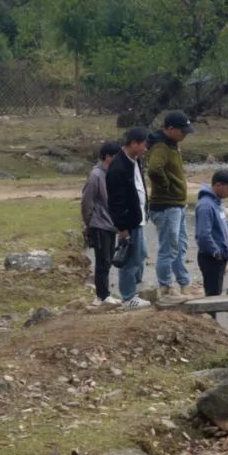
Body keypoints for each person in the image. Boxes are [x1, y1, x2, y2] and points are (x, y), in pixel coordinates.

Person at [147, 110, 194, 304]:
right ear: (170, 129)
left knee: (181, 246)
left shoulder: (173, 145)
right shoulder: (161, 147)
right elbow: (154, 169)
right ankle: (165, 288)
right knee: (168, 249)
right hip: (166, 206)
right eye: (182, 130)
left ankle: (184, 284)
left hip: (176, 205)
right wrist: (166, 187)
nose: (185, 134)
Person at [107, 126, 151, 310]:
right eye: (143, 145)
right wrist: (122, 228)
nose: (145, 149)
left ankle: (134, 291)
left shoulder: (135, 161)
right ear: (134, 143)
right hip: (129, 222)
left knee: (140, 255)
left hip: (138, 218)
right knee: (130, 259)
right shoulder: (118, 167)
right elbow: (115, 202)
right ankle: (128, 297)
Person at [81, 141, 121, 307]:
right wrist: (90, 222)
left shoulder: (112, 173)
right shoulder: (96, 175)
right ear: (107, 157)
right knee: (102, 260)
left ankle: (104, 294)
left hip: (111, 224)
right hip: (99, 224)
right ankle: (102, 296)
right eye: (116, 157)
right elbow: (86, 201)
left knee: (108, 259)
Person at [195, 169, 228, 309]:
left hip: (219, 256)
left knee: (216, 293)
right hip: (211, 257)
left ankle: (212, 321)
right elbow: (203, 235)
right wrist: (216, 252)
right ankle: (211, 323)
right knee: (212, 295)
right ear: (218, 185)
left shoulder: (216, 203)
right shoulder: (206, 205)